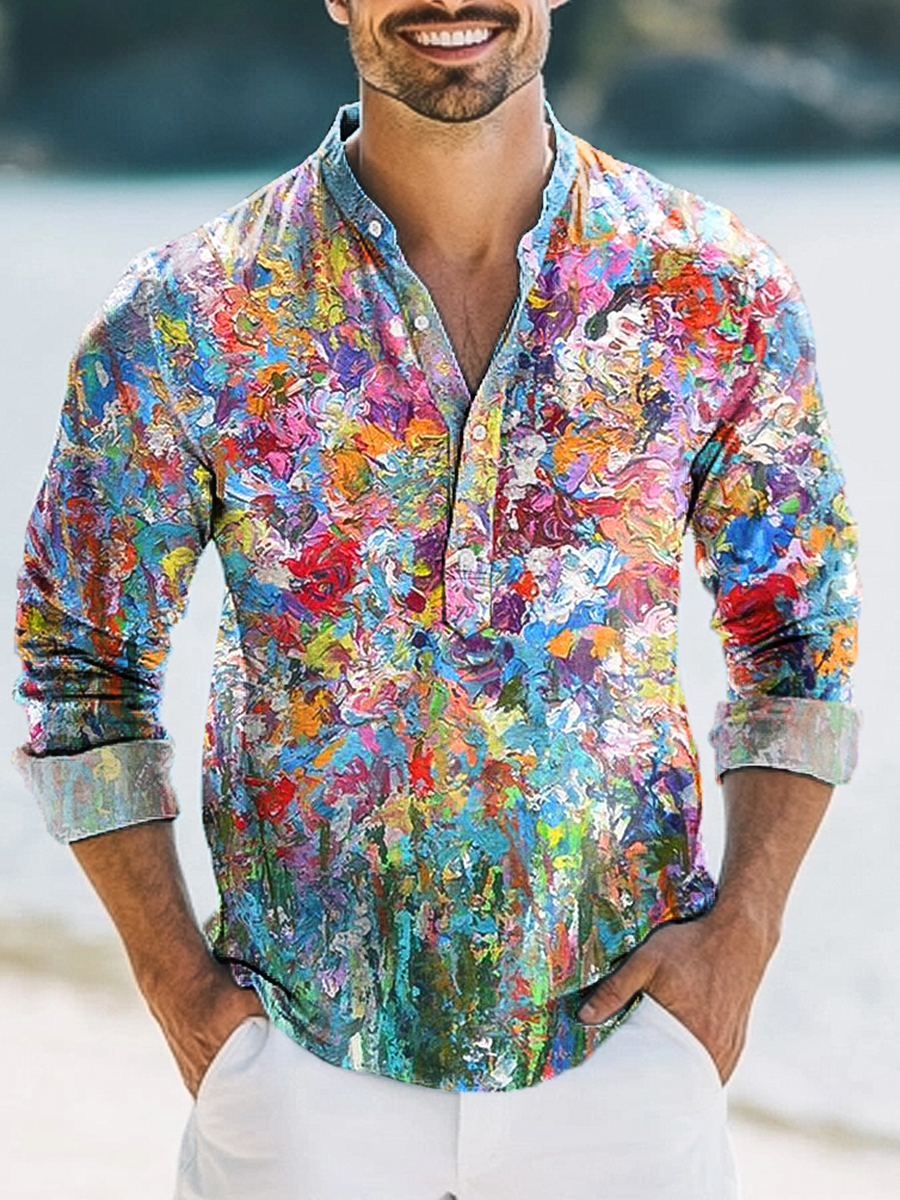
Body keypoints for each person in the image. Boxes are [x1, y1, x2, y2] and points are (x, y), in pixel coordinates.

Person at [12, 2, 860, 1197]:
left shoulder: (714, 292)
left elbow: (800, 641)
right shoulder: (189, 313)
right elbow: (80, 666)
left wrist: (743, 941)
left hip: (626, 1060)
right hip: (299, 1071)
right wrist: (178, 989)